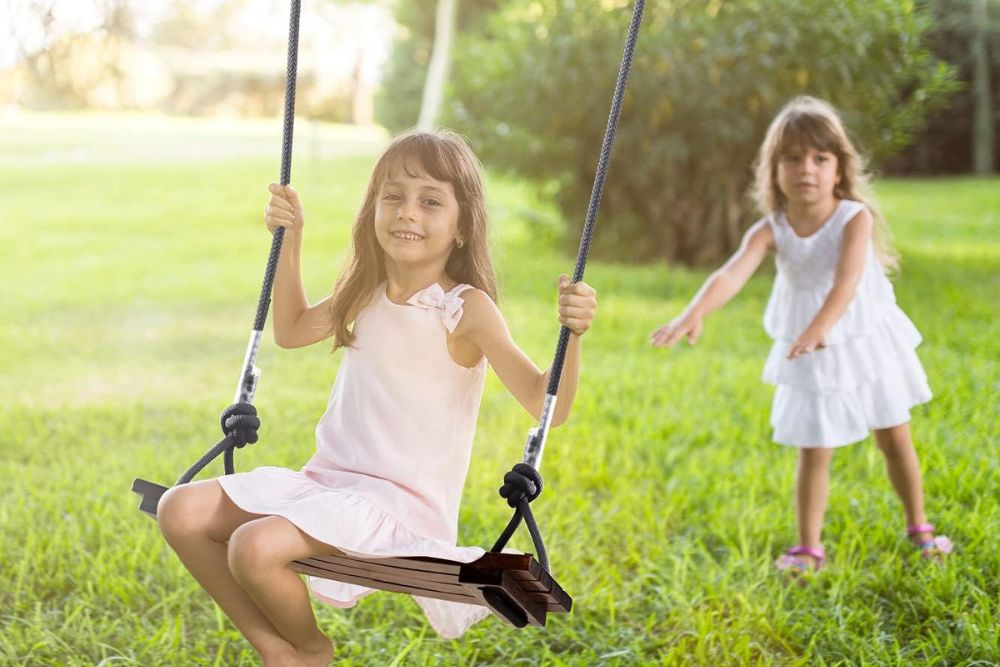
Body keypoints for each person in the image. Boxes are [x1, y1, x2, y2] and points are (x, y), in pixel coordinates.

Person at [156, 130, 597, 666]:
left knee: (255, 546)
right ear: (372, 211)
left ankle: (312, 649)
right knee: (177, 508)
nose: (407, 212)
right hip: (330, 483)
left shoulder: (463, 309)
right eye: (393, 196)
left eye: (430, 201)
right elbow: (292, 330)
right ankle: (280, 649)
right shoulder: (364, 290)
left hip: (401, 504)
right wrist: (290, 238)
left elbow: (545, 401)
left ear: (462, 227)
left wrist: (571, 335)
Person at [650, 96, 950, 578]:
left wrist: (818, 329)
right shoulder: (772, 228)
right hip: (808, 346)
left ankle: (920, 527)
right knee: (815, 446)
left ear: (839, 168)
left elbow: (848, 282)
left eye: (820, 158)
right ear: (774, 170)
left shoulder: (855, 217)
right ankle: (809, 547)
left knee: (894, 436)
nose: (805, 169)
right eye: (792, 158)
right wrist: (693, 312)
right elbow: (731, 274)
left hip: (862, 337)